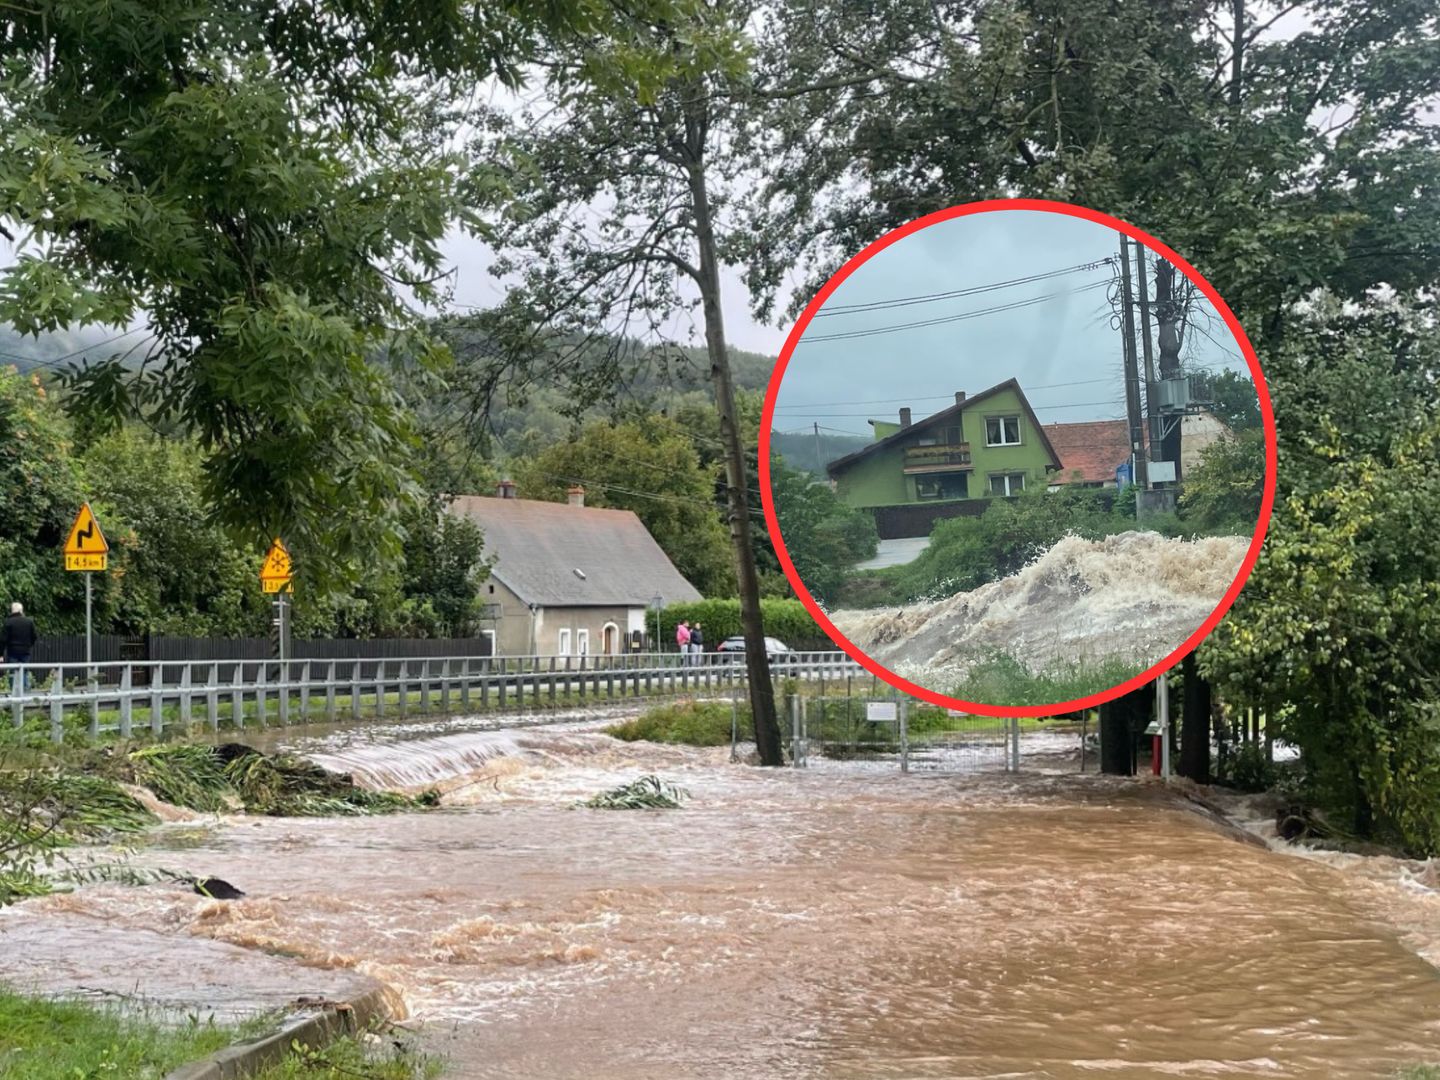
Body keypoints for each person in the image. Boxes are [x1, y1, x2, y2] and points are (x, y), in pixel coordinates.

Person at [3, 602, 37, 693]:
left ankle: (13, 692)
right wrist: (29, 645)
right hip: (25, 651)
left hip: (13, 651)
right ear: (21, 611)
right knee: (25, 671)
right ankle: (25, 691)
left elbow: (3, 639)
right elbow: (34, 636)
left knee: (13, 672)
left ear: (12, 611)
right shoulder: (29, 622)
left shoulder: (8, 622)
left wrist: (1, 654)